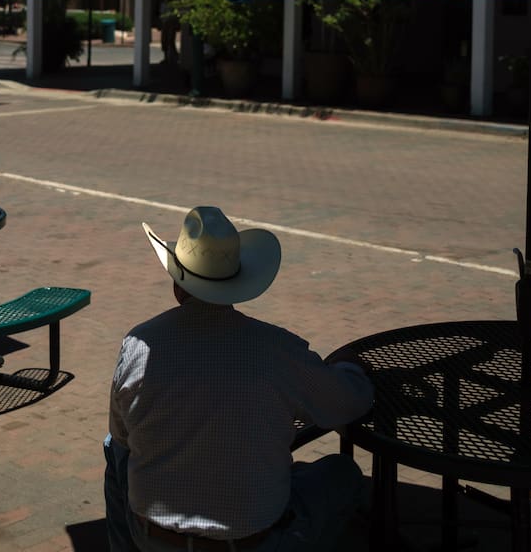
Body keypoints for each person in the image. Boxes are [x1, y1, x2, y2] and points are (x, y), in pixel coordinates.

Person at [105, 206, 374, 552]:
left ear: (177, 284)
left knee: (113, 447)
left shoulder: (138, 345)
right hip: (254, 543)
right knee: (342, 474)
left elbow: (122, 434)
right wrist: (350, 370)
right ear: (237, 285)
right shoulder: (278, 350)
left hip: (154, 538)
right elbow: (349, 402)